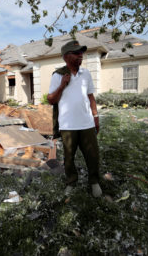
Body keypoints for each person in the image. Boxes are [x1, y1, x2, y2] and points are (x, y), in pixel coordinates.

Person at [47, 40, 102, 197]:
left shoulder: (86, 74)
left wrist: (95, 116)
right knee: (69, 158)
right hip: (68, 125)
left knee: (92, 155)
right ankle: (71, 181)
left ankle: (94, 182)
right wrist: (62, 85)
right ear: (66, 57)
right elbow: (51, 100)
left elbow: (90, 97)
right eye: (76, 53)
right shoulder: (58, 75)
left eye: (81, 53)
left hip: (87, 123)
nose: (80, 55)